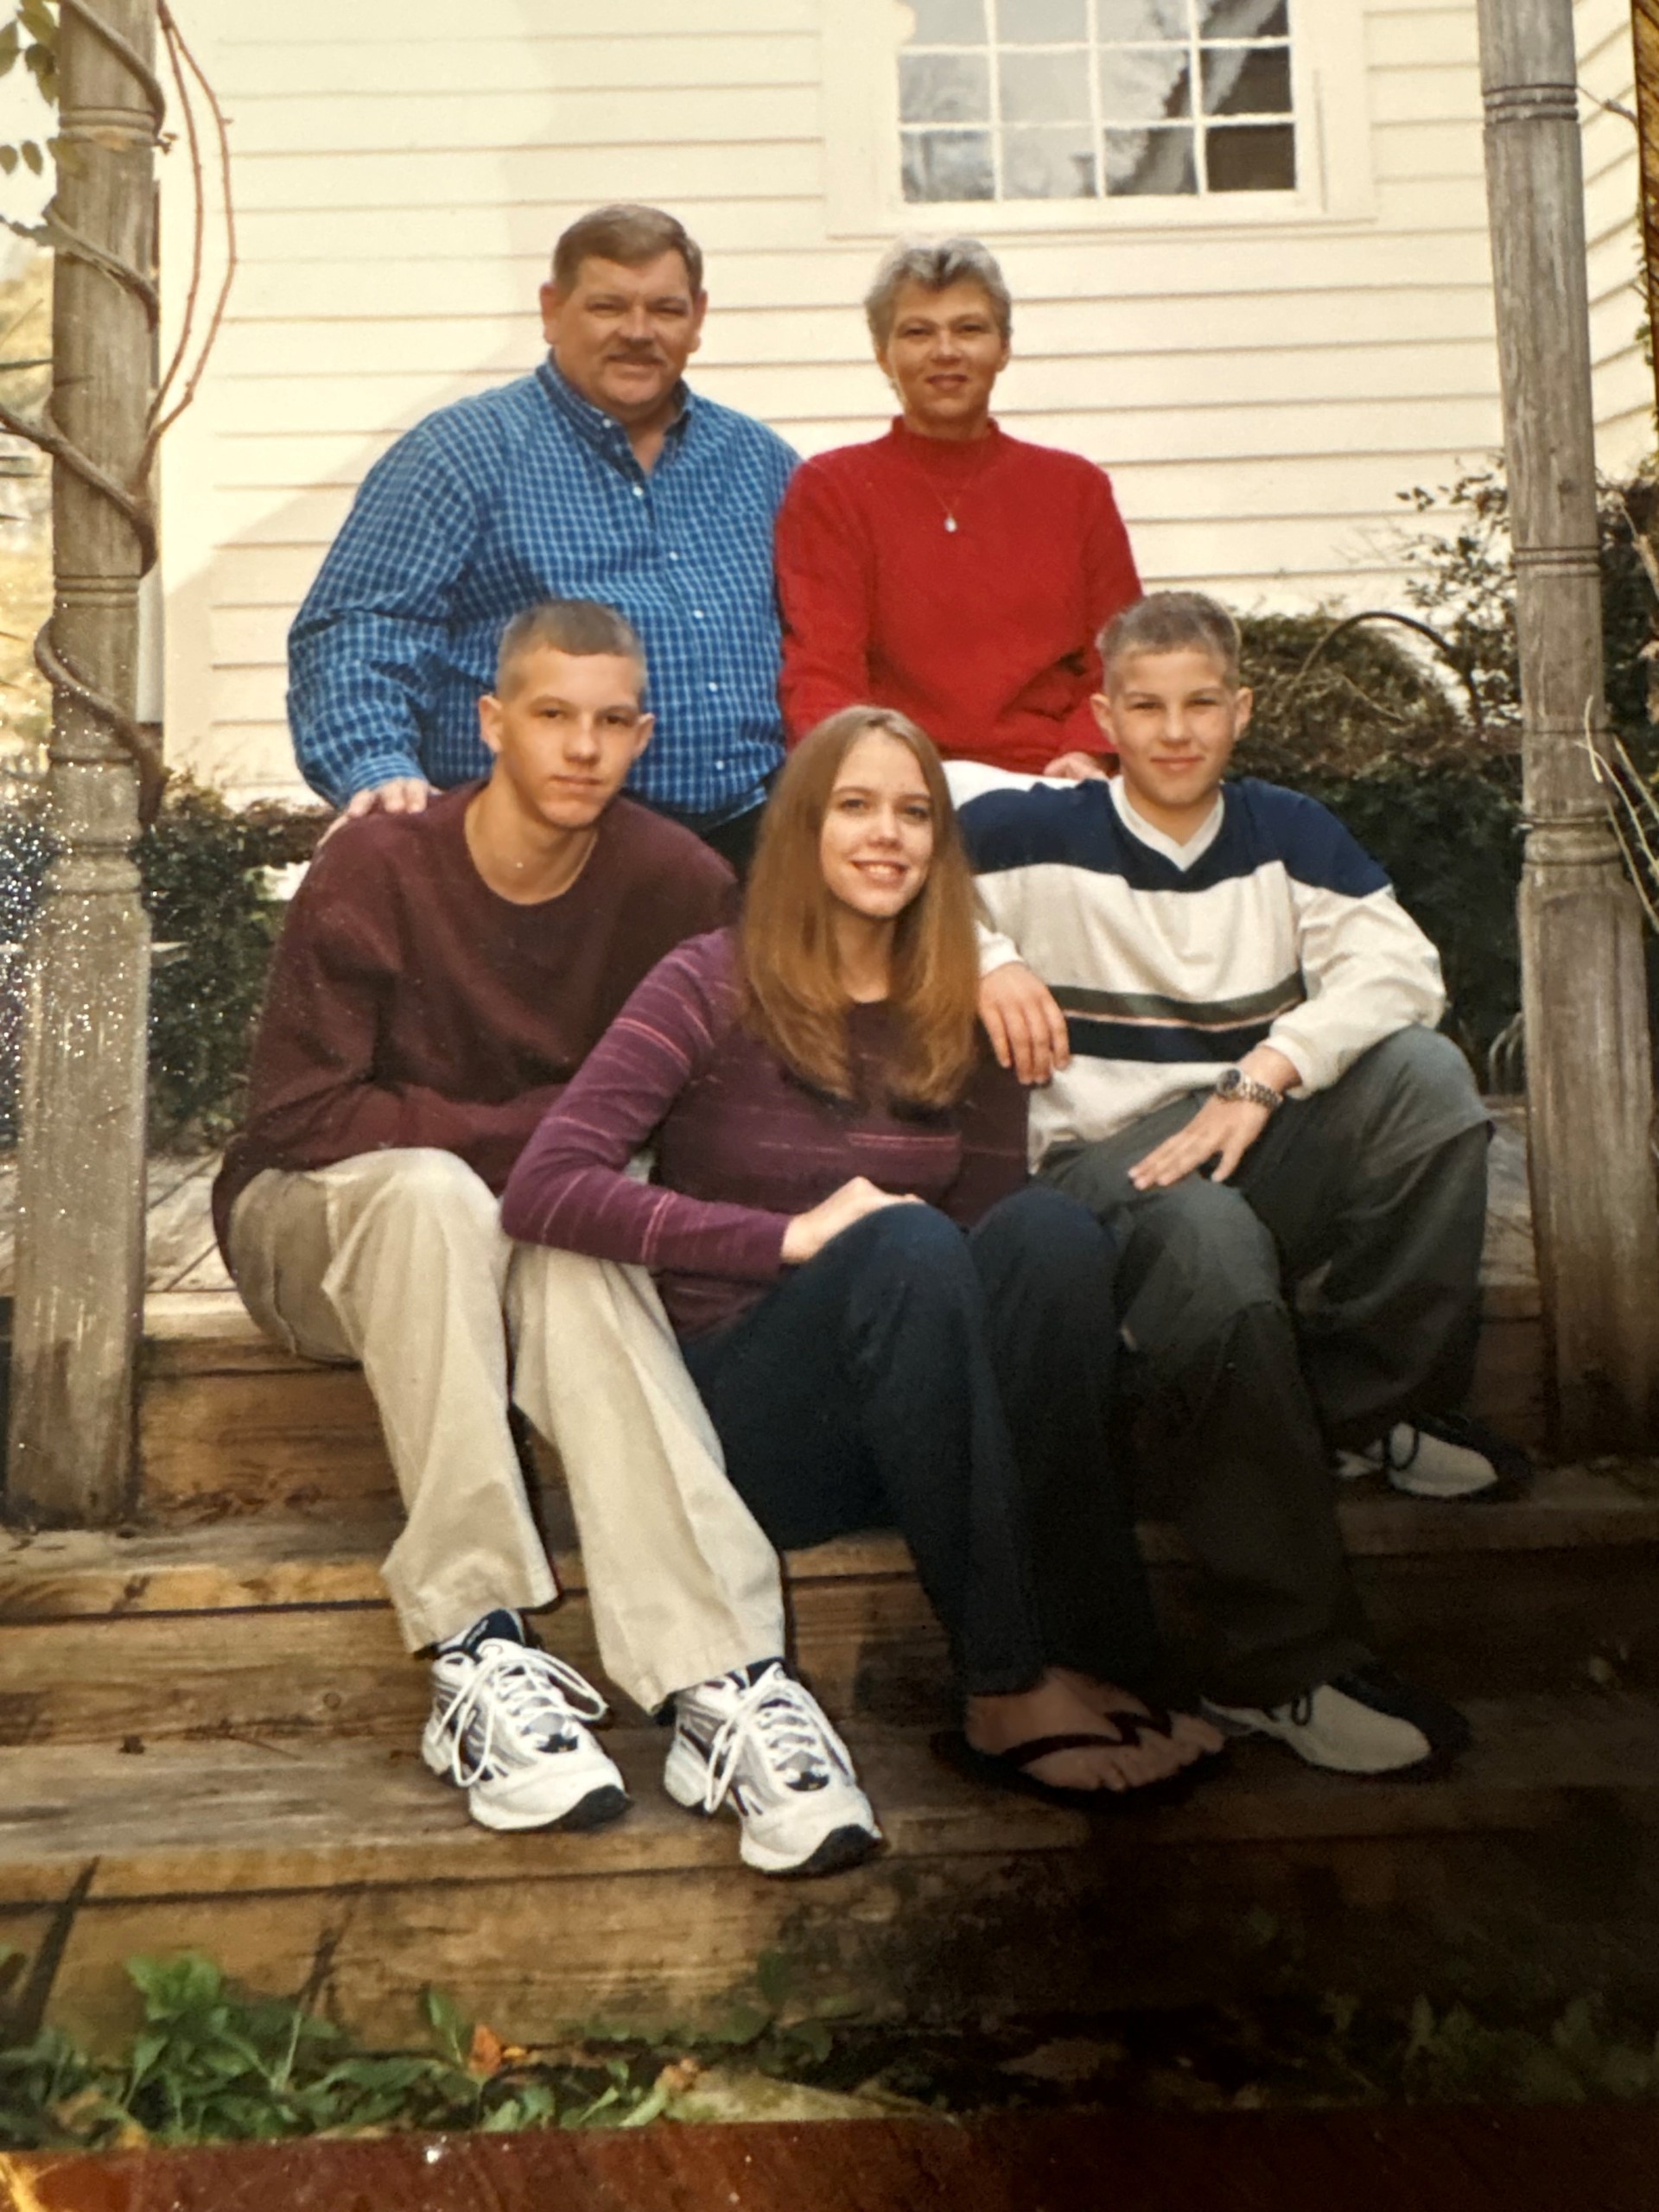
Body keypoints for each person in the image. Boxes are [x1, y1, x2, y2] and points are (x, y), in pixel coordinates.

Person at [215, 598, 880, 1877]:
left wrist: (561, 1176)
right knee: (436, 1195)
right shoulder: (382, 861)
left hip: (525, 1230)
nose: (582, 748)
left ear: (641, 734)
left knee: (567, 1237)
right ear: (492, 723)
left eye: (611, 722)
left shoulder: (676, 884)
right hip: (316, 1230)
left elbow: (700, 1108)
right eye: (552, 717)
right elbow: (302, 1115)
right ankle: (477, 1638)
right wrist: (544, 1150)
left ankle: (720, 1676)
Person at [503, 706, 1225, 1812]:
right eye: (855, 806)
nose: (886, 834)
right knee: (902, 1240)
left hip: (905, 1417)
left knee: (1046, 1232)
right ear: (802, 829)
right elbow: (546, 1186)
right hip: (748, 1420)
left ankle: (1095, 1651)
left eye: (914, 812)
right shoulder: (708, 981)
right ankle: (1002, 1685)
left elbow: (990, 1244)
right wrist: (784, 1239)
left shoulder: (958, 1010)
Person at [955, 589, 1518, 1777]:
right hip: (1098, 1170)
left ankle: (1356, 1414)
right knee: (1209, 1240)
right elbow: (879, 868)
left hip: (1243, 1124)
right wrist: (990, 959)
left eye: (1202, 703)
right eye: (1146, 706)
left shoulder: (1287, 830)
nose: (1175, 732)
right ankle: (1280, 1665)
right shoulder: (1025, 828)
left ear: (1241, 709)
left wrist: (1266, 1072)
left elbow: (1401, 971)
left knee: (1428, 1085)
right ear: (1103, 714)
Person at [288, 203, 795, 875]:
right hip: (545, 860)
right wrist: (379, 766)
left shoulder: (759, 463)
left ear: (698, 319)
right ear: (552, 311)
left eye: (665, 310)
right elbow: (361, 629)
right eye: (608, 307)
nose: (638, 333)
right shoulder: (460, 454)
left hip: (748, 848)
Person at [773, 238, 1141, 779]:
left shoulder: (1076, 489)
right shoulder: (832, 489)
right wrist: (872, 772)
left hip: (1054, 779)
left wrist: (1086, 753)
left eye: (969, 329)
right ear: (883, 354)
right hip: (898, 782)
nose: (946, 351)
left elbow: (1125, 659)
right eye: (918, 332)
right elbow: (823, 671)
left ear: (1004, 347)